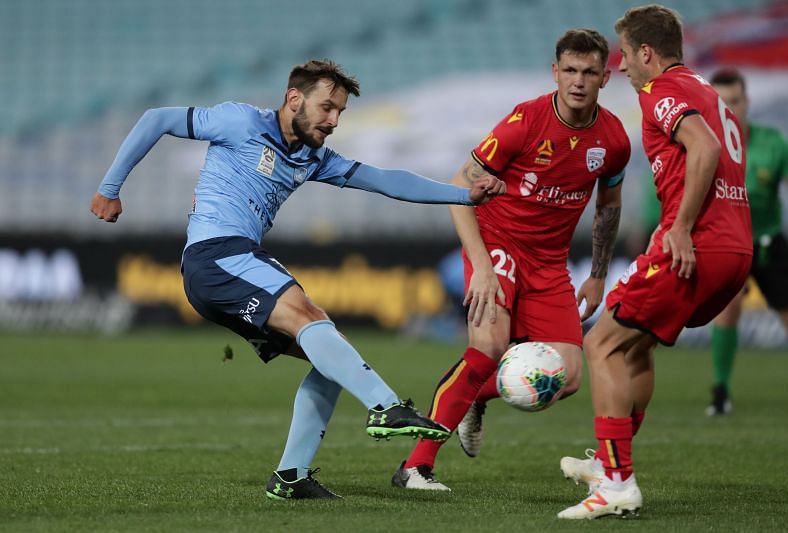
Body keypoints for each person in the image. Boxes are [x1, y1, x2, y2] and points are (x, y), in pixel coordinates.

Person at [90, 59, 506, 500]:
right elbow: (157, 119)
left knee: (331, 354)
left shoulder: (312, 157)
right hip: (216, 255)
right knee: (311, 318)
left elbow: (387, 181)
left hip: (228, 266)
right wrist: (110, 189)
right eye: (327, 107)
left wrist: (464, 194)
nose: (333, 120)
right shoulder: (240, 120)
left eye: (340, 112)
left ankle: (291, 476)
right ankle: (386, 407)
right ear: (294, 98)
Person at [390, 29, 631, 491]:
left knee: (570, 377)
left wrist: (598, 274)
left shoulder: (614, 139)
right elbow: (460, 188)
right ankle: (415, 467)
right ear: (555, 72)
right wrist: (481, 264)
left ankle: (473, 399)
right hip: (497, 243)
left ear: (605, 78)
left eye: (589, 72)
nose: (578, 81)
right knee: (486, 350)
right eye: (570, 70)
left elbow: (609, 206)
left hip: (549, 262)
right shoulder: (525, 122)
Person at [557, 5, 752, 519]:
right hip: (735, 249)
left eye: (625, 54)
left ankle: (617, 484)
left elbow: (704, 150)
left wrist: (682, 226)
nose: (620, 66)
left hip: (694, 244)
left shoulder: (662, 91)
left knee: (601, 344)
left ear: (647, 52)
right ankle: (607, 461)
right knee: (635, 347)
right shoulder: (709, 95)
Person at [705, 68, 788, 416]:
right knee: (728, 309)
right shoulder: (703, 143)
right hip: (727, 239)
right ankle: (720, 391)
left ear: (746, 102)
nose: (729, 110)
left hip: (768, 240)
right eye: (720, 103)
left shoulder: (773, 141)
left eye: (734, 101)